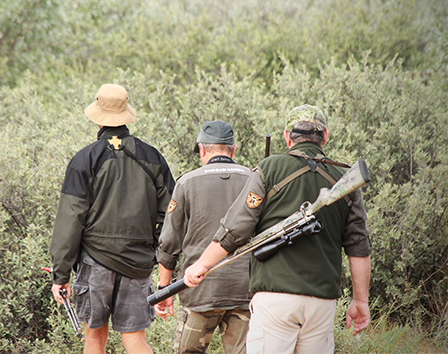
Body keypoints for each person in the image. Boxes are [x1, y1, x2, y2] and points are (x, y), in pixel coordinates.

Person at [184, 104, 372, 354]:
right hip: (323, 302)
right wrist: (360, 300)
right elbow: (359, 247)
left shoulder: (269, 168)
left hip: (275, 297)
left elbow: (236, 230)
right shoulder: (344, 178)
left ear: (287, 136)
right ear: (325, 136)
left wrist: (201, 265)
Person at [50, 84, 175, 354]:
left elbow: (70, 221)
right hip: (138, 264)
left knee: (94, 339)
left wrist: (61, 274)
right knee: (136, 340)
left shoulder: (85, 160)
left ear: (97, 118)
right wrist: (152, 250)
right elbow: (172, 214)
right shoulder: (153, 158)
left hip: (94, 262)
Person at [155, 121, 252, 354]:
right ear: (234, 149)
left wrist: (164, 288)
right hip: (245, 291)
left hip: (199, 290)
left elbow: (169, 241)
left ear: (202, 149)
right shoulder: (253, 179)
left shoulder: (187, 182)